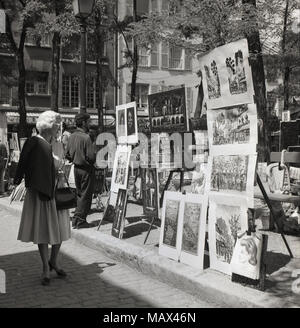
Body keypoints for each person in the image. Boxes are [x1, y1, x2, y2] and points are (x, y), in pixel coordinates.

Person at [14, 111, 70, 286]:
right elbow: (24, 164)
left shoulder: (59, 145)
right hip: (41, 192)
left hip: (57, 190)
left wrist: (62, 171)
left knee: (60, 229)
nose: (59, 128)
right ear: (48, 125)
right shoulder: (34, 142)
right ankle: (45, 268)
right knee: (43, 231)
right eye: (57, 124)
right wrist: (18, 180)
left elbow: (61, 163)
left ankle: (54, 261)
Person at [65, 113, 96, 229]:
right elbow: (91, 157)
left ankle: (76, 220)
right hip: (86, 169)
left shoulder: (72, 136)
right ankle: (80, 221)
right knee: (86, 196)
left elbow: (67, 154)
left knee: (79, 194)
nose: (89, 124)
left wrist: (75, 158)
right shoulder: (86, 137)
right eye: (88, 122)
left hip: (76, 168)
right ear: (83, 123)